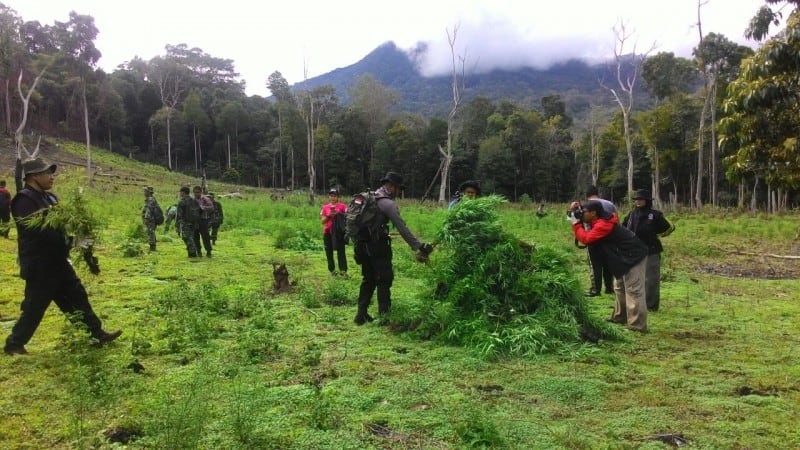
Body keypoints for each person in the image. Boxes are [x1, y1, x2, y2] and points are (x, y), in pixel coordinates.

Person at [4, 157, 121, 355]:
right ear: (34, 176)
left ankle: (96, 333)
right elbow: (40, 230)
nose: (52, 177)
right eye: (47, 173)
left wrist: (79, 233)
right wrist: (71, 242)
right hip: (40, 264)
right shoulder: (24, 200)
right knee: (35, 305)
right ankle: (14, 344)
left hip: (58, 260)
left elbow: (63, 223)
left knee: (77, 295)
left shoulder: (50, 198)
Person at [353, 171, 433, 324]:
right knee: (384, 279)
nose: (399, 192)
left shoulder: (369, 198)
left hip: (361, 246)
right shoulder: (387, 203)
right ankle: (385, 316)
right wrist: (418, 246)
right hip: (377, 247)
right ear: (391, 187)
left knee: (368, 279)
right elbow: (402, 227)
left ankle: (360, 314)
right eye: (399, 189)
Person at [569, 199, 649, 332]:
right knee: (619, 287)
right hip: (622, 256)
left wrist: (576, 224)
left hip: (634, 255)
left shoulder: (603, 224)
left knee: (634, 290)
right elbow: (580, 223)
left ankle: (637, 325)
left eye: (584, 212)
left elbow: (587, 239)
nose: (581, 214)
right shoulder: (597, 219)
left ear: (594, 213)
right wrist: (573, 212)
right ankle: (620, 317)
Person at [622, 189, 675, 312]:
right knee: (634, 279)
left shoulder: (655, 215)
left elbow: (669, 227)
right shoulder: (631, 214)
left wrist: (658, 235)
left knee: (651, 279)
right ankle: (635, 303)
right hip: (634, 251)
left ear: (647, 200)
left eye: (640, 199)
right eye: (636, 200)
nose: (638, 202)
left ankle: (651, 305)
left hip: (651, 250)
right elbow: (623, 228)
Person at [584, 185, 617, 297]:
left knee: (595, 265)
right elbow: (616, 219)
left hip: (593, 238)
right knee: (608, 263)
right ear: (597, 193)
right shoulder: (609, 204)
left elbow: (583, 222)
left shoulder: (587, 205)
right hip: (609, 238)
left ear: (587, 195)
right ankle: (609, 287)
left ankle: (595, 289)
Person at [321, 187, 348, 276]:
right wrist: (329, 215)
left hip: (339, 232)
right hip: (328, 232)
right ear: (329, 197)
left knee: (341, 252)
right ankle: (332, 270)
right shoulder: (325, 207)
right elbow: (322, 221)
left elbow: (347, 217)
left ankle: (343, 271)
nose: (333, 198)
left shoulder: (343, 206)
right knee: (329, 252)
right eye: (331, 196)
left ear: (338, 197)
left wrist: (339, 213)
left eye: (334, 196)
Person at [177, 186, 201, 258]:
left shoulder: (182, 202)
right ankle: (191, 252)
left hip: (186, 223)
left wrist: (177, 226)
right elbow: (199, 211)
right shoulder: (194, 201)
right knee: (190, 237)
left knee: (187, 237)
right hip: (194, 223)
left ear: (183, 192)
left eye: (180, 192)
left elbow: (179, 215)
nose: (180, 194)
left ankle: (193, 253)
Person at [193, 186, 214, 257]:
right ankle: (198, 251)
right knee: (195, 237)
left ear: (201, 192)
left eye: (198, 192)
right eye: (195, 192)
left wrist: (203, 208)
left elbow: (211, 208)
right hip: (195, 221)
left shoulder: (205, 199)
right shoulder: (192, 200)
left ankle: (208, 251)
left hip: (203, 220)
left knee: (205, 236)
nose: (196, 194)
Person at [141, 186, 159, 251]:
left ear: (149, 192)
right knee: (151, 232)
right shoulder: (150, 199)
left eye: (145, 191)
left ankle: (152, 248)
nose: (144, 192)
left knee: (150, 232)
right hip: (150, 219)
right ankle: (152, 247)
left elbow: (149, 210)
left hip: (150, 220)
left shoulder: (150, 199)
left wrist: (146, 218)